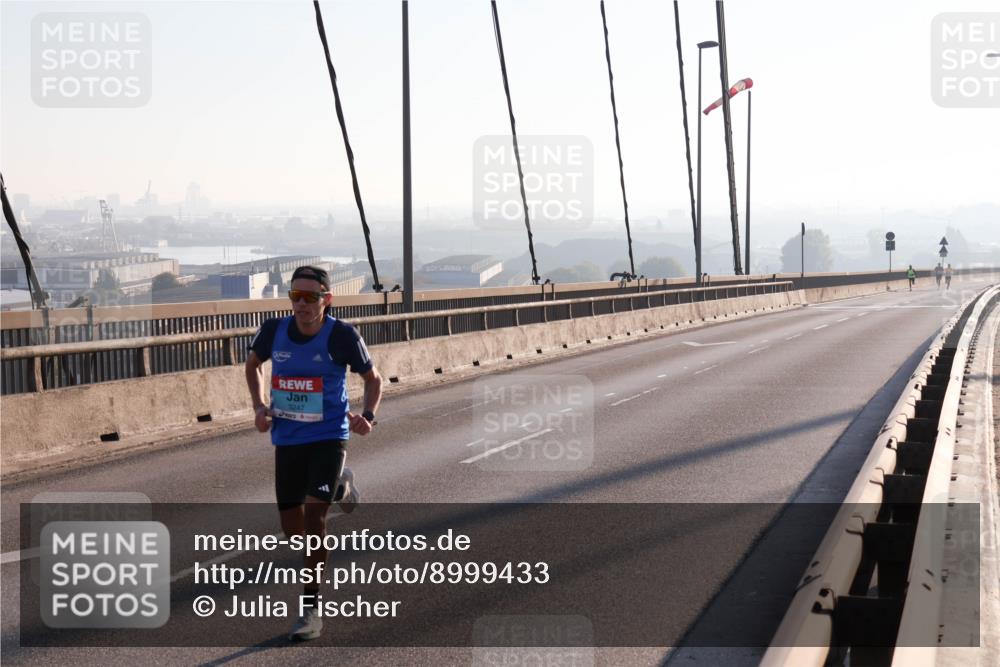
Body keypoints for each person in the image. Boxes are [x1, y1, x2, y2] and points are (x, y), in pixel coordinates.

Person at [245, 265, 383, 641]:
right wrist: (259, 406)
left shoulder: (342, 336)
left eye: (310, 297)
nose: (302, 305)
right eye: (295, 297)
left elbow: (373, 379)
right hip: (288, 438)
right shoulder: (274, 331)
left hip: (328, 436)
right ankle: (340, 488)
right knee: (292, 531)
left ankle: (311, 609)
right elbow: (253, 364)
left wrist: (368, 416)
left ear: (327, 299)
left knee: (313, 521)